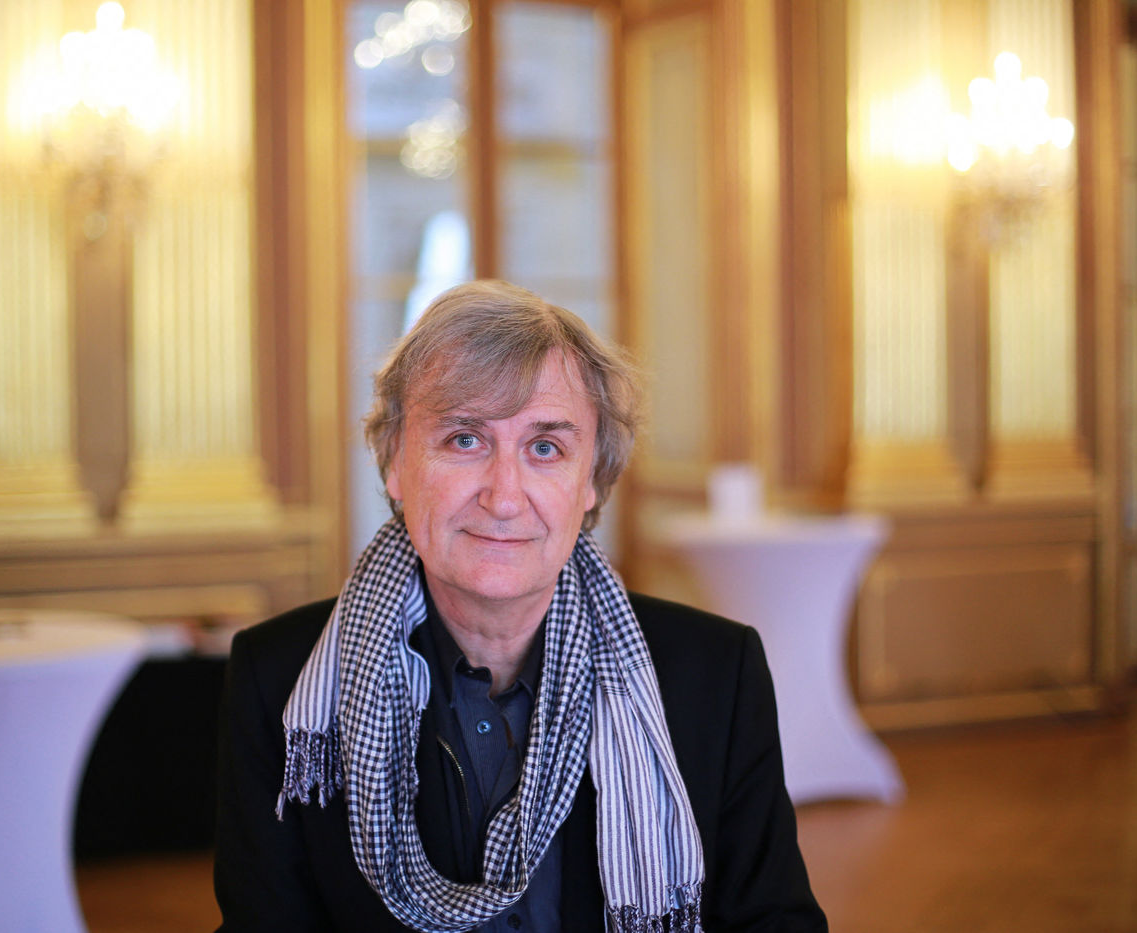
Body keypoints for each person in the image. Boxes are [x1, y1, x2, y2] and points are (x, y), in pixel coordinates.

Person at [213, 280, 827, 932]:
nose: (505, 497)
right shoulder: (279, 680)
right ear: (394, 461)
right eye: (465, 439)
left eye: (545, 448)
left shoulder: (716, 673)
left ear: (592, 482)